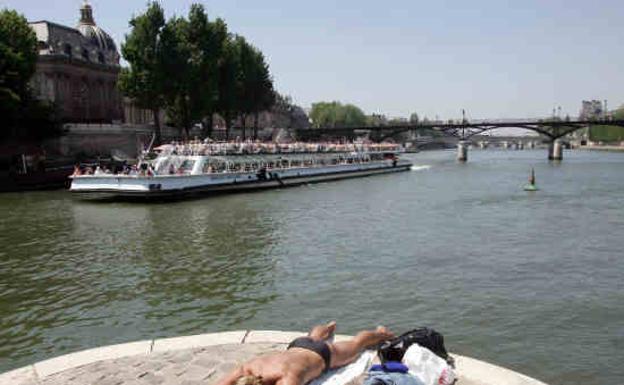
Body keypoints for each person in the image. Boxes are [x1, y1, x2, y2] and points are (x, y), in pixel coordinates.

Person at [215, 322, 393, 385]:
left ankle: (381, 333)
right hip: (298, 346)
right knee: (313, 336)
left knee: (357, 343)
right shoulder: (246, 369)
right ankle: (327, 328)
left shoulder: (285, 378)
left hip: (324, 354)